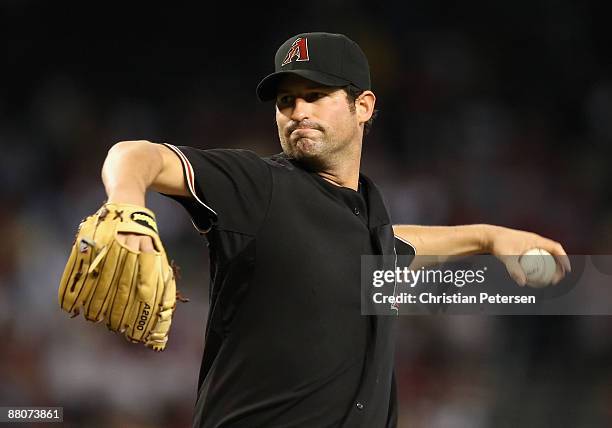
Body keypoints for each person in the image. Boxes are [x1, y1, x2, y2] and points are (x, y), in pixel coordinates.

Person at [100, 32, 570, 427]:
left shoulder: (367, 215)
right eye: (287, 100)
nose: (299, 110)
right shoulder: (258, 188)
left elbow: (390, 245)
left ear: (362, 106)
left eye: (315, 96)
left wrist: (487, 237)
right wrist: (125, 202)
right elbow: (135, 153)